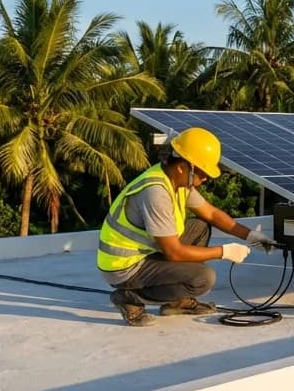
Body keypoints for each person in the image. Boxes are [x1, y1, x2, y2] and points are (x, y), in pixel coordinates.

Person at [96, 127, 273, 326]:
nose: (205, 178)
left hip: (146, 252)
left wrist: (252, 237)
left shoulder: (177, 182)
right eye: (201, 172)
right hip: (124, 267)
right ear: (182, 167)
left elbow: (212, 214)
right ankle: (129, 298)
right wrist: (224, 251)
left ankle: (176, 301)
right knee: (203, 278)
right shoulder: (156, 192)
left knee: (200, 226)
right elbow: (174, 253)